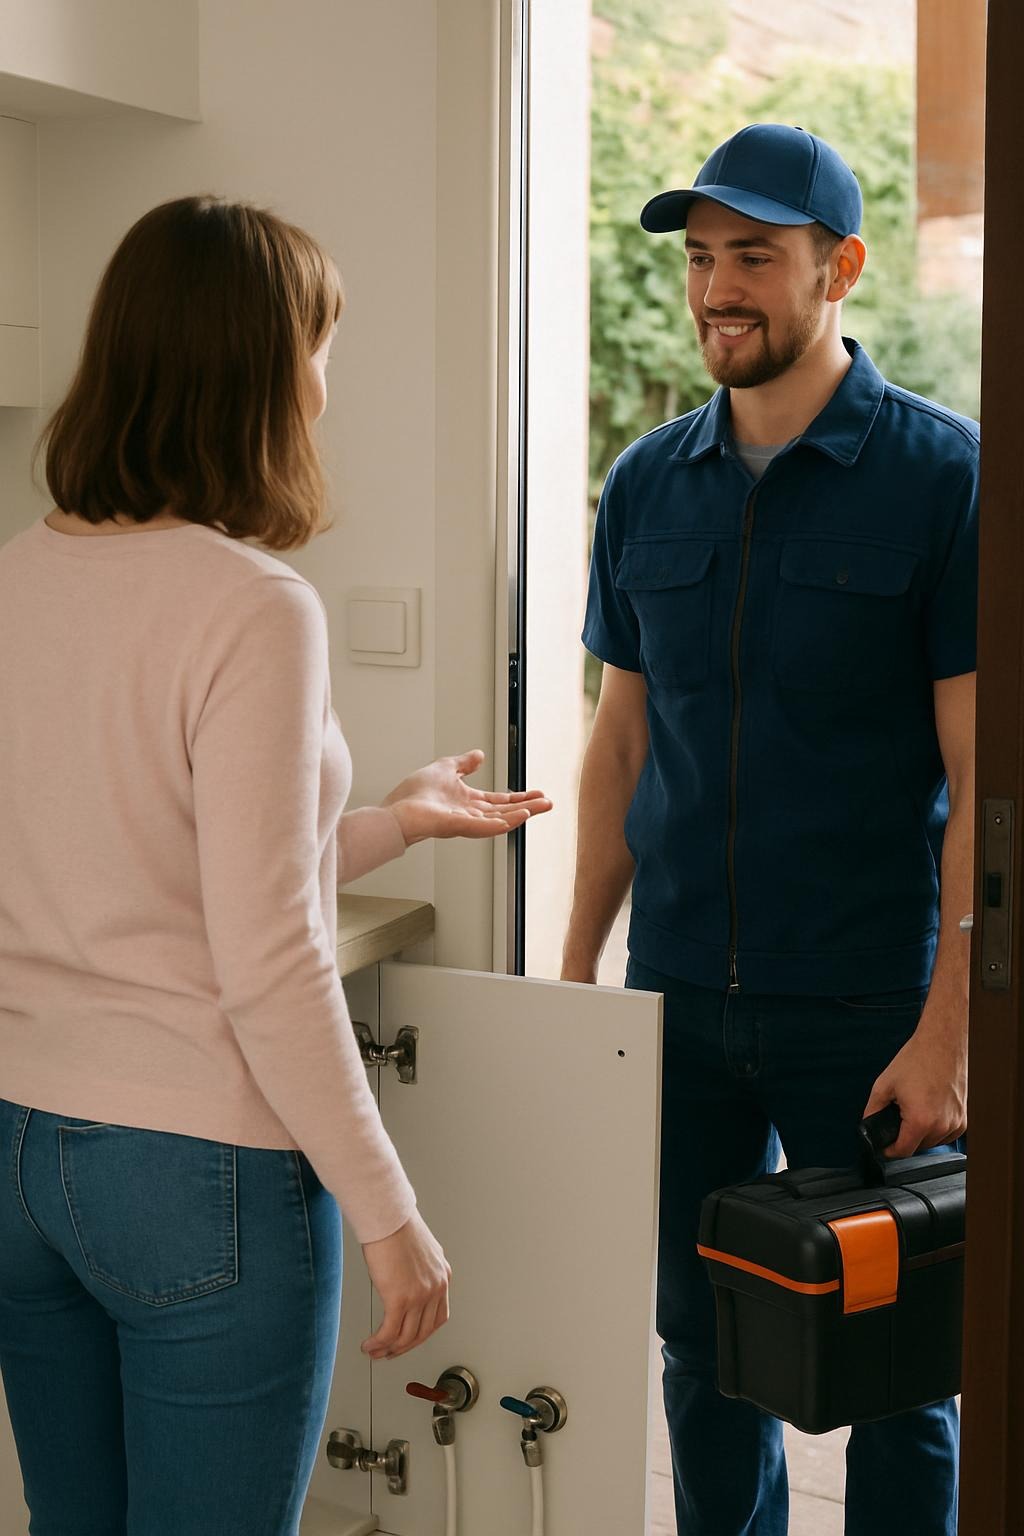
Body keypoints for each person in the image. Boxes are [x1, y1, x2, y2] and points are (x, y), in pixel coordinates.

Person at [0, 195, 551, 1536]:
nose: (322, 381)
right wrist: (390, 1211)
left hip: (21, 1148)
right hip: (197, 1171)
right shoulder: (252, 603)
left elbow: (145, 863)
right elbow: (267, 949)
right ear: (255, 370)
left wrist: (394, 822)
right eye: (318, 345)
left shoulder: (18, 575)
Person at [562, 124, 976, 1536]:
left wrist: (949, 1031)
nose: (716, 288)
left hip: (866, 1004)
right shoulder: (645, 485)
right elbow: (622, 741)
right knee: (703, 1346)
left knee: (899, 1369)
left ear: (840, 268)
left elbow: (981, 780)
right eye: (697, 258)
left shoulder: (947, 480)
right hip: (676, 997)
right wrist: (574, 983)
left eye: (754, 255)